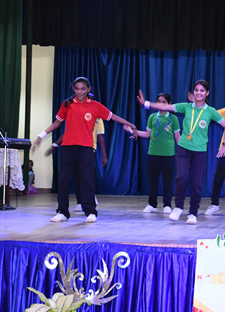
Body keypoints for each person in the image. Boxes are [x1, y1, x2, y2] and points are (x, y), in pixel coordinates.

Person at [32, 77, 137, 223]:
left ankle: (91, 212)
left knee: (87, 180)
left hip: (86, 148)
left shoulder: (95, 106)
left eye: (83, 89)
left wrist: (131, 125)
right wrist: (41, 135)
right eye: (77, 89)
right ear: (73, 89)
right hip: (68, 148)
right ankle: (62, 212)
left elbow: (112, 116)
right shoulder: (67, 104)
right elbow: (57, 123)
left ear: (88, 89)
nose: (80, 92)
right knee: (63, 180)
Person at [137, 80, 225, 225]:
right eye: (196, 90)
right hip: (184, 149)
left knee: (197, 183)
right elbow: (164, 106)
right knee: (181, 178)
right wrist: (146, 104)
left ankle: (193, 213)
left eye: (202, 90)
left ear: (207, 93)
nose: (198, 93)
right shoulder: (186, 107)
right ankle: (178, 207)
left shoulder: (210, 111)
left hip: (200, 152)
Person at [127, 92, 180, 214]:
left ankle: (167, 205)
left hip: (168, 154)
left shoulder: (173, 118)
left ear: (169, 104)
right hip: (153, 153)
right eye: (159, 101)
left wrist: (183, 149)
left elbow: (177, 137)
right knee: (152, 180)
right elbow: (147, 134)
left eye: (164, 102)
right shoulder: (152, 117)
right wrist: (131, 131)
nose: (161, 104)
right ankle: (152, 204)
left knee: (167, 181)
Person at [47, 117, 107, 212]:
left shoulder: (98, 119)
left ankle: (90, 199)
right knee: (76, 176)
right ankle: (80, 202)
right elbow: (68, 133)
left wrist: (104, 155)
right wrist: (55, 144)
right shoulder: (78, 117)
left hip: (90, 148)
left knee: (87, 177)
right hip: (76, 148)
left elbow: (100, 137)